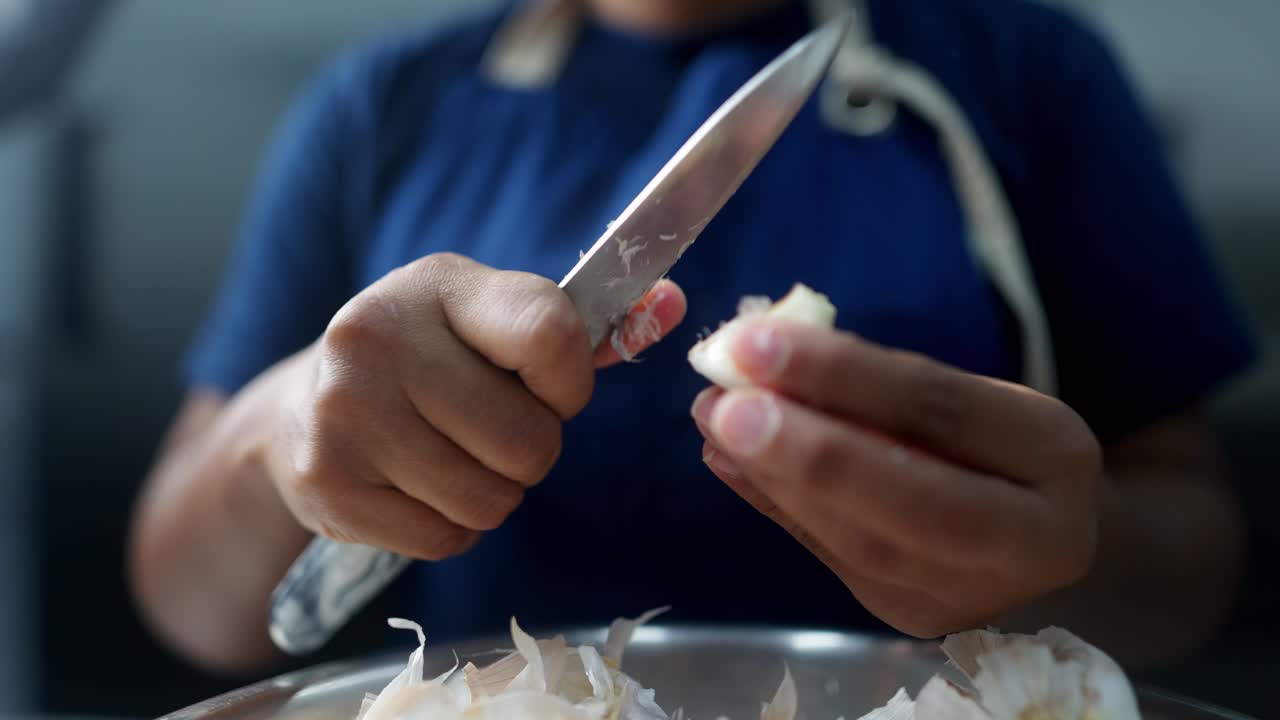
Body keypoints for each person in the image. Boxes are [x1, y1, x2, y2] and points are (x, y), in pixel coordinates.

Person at [127, 0, 1259, 676]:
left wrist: (1062, 558)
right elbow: (185, 595)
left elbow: (1195, 551)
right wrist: (282, 430)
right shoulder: (377, 107)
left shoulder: (1027, 74)